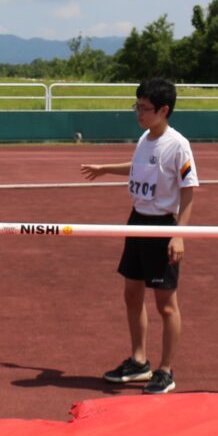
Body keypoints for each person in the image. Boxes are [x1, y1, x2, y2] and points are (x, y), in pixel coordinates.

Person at [80, 78, 198, 394]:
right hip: (137, 223)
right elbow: (136, 168)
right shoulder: (145, 137)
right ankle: (139, 361)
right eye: (137, 106)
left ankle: (166, 370)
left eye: (144, 108)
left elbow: (189, 191)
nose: (139, 113)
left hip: (162, 226)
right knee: (132, 294)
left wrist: (179, 235)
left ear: (164, 110)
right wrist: (105, 168)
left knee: (165, 303)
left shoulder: (178, 145)